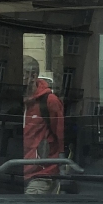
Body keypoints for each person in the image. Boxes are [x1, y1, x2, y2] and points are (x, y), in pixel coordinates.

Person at [22, 55, 63, 194]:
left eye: (20, 75)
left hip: (42, 173)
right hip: (16, 170)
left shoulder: (49, 101)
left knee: (29, 203)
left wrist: (55, 169)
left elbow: (60, 137)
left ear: (32, 76)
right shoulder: (18, 103)